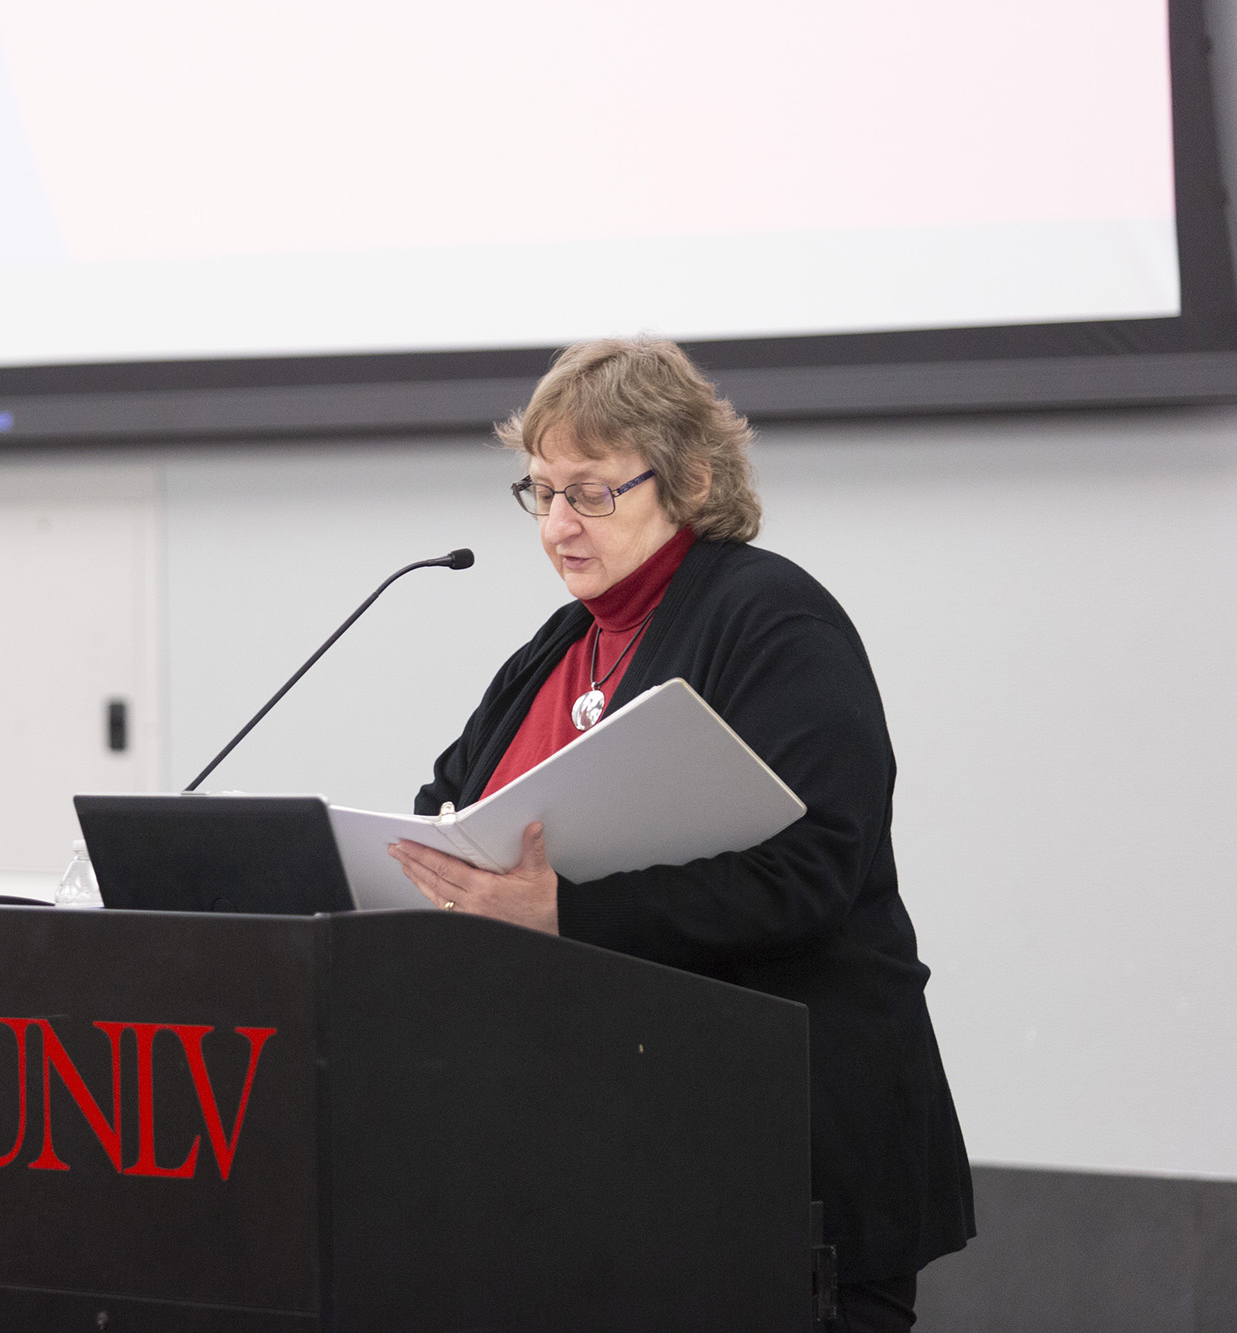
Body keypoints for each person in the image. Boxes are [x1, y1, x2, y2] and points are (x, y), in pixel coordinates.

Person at [387, 337, 973, 1332]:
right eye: (539, 492)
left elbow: (814, 870)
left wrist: (562, 909)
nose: (559, 526)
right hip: (605, 1161)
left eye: (590, 492)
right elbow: (447, 803)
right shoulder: (557, 647)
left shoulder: (770, 618)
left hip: (783, 1155)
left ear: (690, 478)